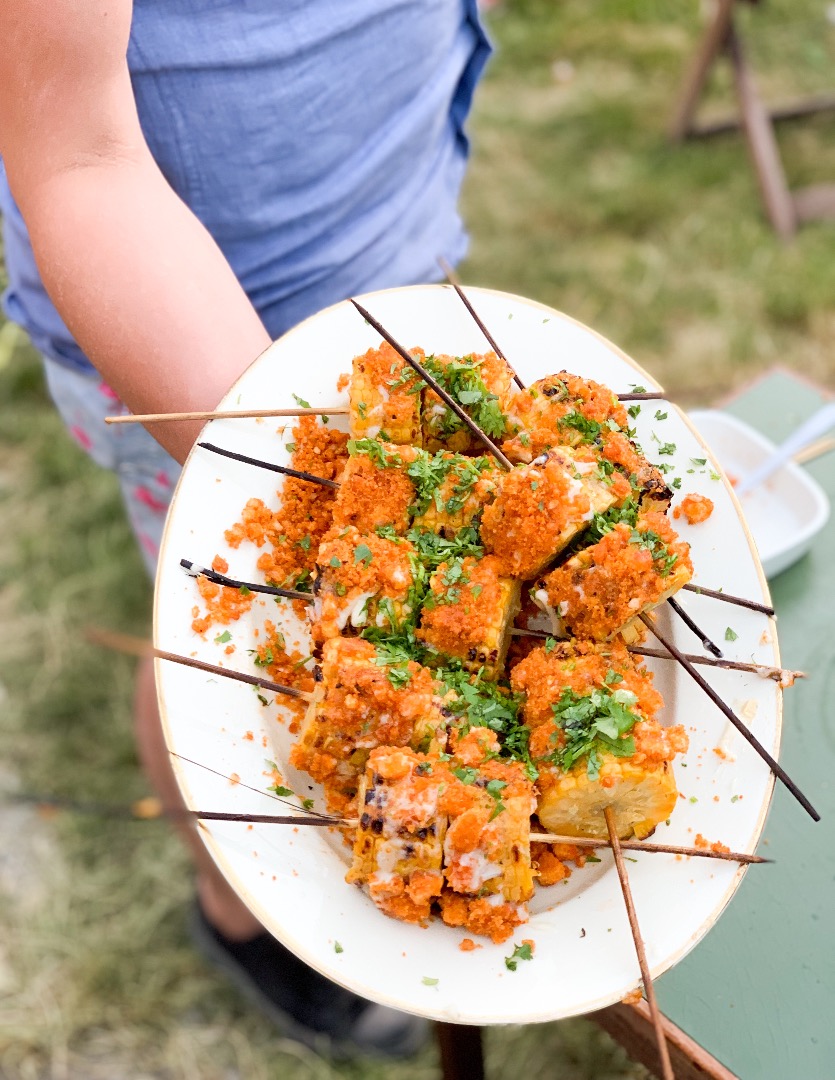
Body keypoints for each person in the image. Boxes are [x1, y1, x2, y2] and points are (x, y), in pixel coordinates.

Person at [0, 0, 491, 1058]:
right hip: (195, 338)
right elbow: (76, 153)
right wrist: (310, 493)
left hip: (390, 231)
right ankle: (235, 914)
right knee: (223, 648)